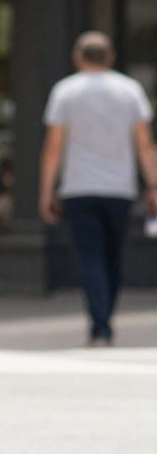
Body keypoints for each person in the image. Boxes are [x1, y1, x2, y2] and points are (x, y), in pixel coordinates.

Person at [39, 31, 157, 347]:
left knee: (90, 255)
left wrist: (47, 189)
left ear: (78, 58)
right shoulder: (130, 90)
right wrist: (153, 183)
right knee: (112, 255)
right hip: (120, 187)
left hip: (78, 187)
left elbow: (53, 146)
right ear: (111, 57)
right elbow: (144, 143)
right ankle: (105, 320)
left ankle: (99, 325)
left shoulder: (65, 91)